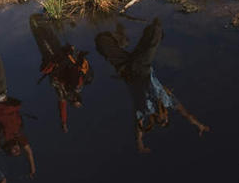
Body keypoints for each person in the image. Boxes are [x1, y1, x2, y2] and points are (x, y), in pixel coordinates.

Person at [95, 18, 210, 153]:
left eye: (160, 122)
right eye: (165, 120)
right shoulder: (168, 101)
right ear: (166, 116)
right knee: (155, 35)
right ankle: (154, 24)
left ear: (155, 121)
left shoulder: (143, 111)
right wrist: (199, 125)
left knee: (101, 41)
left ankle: (119, 38)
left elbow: (138, 127)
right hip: (142, 68)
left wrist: (140, 144)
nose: (162, 120)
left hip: (126, 70)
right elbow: (186, 114)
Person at [30, 14, 93, 133]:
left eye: (74, 102)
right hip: (59, 60)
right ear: (78, 97)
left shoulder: (64, 95)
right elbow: (75, 72)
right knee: (50, 40)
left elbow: (62, 108)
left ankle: (37, 22)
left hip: (55, 62)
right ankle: (39, 21)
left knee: (46, 42)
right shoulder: (78, 86)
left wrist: (63, 122)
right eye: (77, 100)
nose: (74, 99)